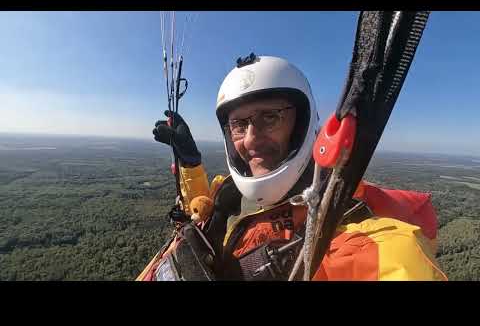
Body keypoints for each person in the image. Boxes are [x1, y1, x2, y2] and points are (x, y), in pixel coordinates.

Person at [137, 55, 447, 281]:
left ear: (302, 123)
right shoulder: (228, 192)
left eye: (270, 117)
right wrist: (191, 165)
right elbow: (202, 213)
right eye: (238, 124)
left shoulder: (340, 230)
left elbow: (394, 265)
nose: (251, 139)